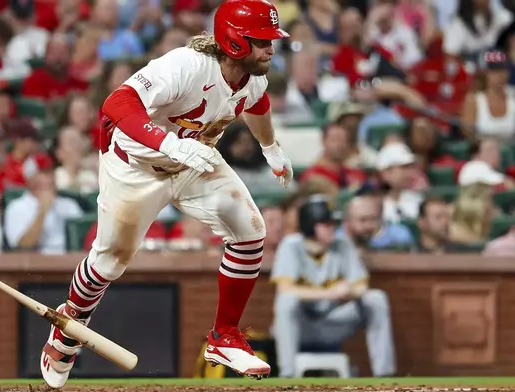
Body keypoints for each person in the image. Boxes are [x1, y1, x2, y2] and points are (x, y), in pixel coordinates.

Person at [39, 0, 294, 387]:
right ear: (235, 43)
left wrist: (271, 149)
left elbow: (255, 103)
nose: (270, 49)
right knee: (109, 263)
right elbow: (116, 104)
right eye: (262, 41)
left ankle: (223, 336)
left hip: (194, 160)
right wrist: (169, 144)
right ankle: (69, 325)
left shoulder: (254, 77)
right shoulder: (186, 65)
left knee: (250, 231)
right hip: (136, 166)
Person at [271, 195, 396, 378]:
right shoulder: (291, 246)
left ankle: (385, 374)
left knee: (376, 299)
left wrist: (349, 292)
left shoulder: (343, 244)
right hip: (302, 326)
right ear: (309, 225)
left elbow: (361, 287)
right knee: (286, 302)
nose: (332, 228)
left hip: (334, 322)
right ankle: (288, 374)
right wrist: (330, 293)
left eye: (332, 223)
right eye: (326, 224)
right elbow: (285, 289)